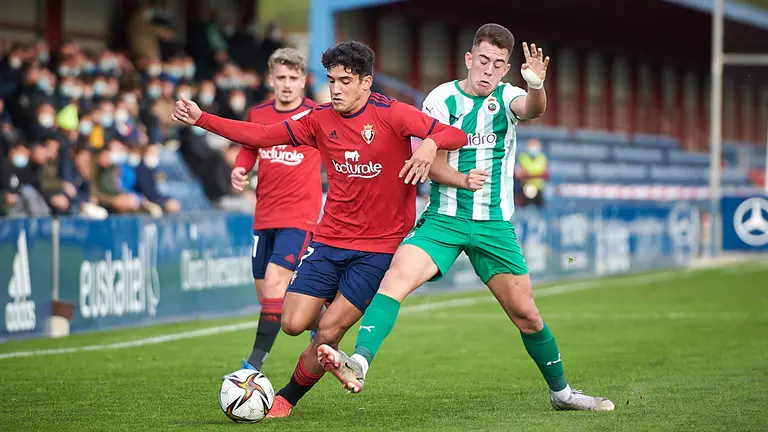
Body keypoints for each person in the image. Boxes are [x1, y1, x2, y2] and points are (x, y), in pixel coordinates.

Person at [317, 24, 615, 412]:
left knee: (527, 315)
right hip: (444, 219)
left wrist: (537, 85)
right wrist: (460, 179)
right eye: (484, 61)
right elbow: (431, 163)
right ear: (469, 60)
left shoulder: (509, 97)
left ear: (507, 69)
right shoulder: (441, 100)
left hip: (493, 226)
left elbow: (533, 109)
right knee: (396, 279)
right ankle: (359, 362)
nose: (489, 71)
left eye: (498, 65)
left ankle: (562, 394)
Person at [171, 41, 468, 418]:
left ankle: (286, 398)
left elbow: (455, 136)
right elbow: (262, 136)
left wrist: (429, 143)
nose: (336, 89)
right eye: (331, 80)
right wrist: (202, 119)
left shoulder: (393, 114)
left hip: (378, 249)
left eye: (345, 81)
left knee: (327, 334)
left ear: (366, 82)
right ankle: (333, 316)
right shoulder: (318, 119)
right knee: (293, 323)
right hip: (328, 240)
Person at [228, 48, 321, 371]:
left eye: (293, 78)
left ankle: (252, 364)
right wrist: (241, 168)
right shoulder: (258, 114)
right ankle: (323, 326)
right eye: (281, 78)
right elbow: (248, 148)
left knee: (274, 284)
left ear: (303, 81)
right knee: (271, 299)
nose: (286, 84)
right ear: (270, 79)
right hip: (264, 214)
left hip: (300, 216)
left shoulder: (317, 114)